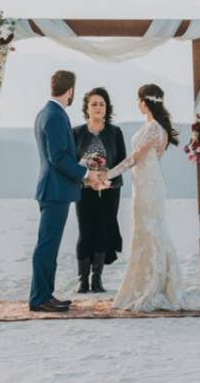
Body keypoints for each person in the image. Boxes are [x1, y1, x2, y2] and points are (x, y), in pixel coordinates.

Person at [101, 84, 197, 311]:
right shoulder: (153, 125)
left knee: (150, 231)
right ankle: (147, 281)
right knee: (145, 231)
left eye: (138, 99)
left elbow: (136, 157)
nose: (137, 103)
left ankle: (152, 285)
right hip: (144, 183)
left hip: (149, 185)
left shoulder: (154, 127)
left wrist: (110, 174)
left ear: (146, 101)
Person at [28, 70, 107, 313]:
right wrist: (86, 175)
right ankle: (39, 299)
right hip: (55, 191)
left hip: (56, 189)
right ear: (70, 90)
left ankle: (45, 295)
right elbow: (58, 158)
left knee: (48, 246)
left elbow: (61, 156)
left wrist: (85, 165)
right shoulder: (54, 115)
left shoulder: (46, 113)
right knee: (47, 246)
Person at [72, 87, 126, 293]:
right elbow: (71, 161)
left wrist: (106, 177)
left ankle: (97, 280)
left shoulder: (115, 132)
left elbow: (122, 161)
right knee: (85, 232)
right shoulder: (76, 132)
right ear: (86, 107)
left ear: (107, 108)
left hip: (110, 190)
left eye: (102, 104)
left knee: (103, 231)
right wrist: (88, 177)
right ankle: (82, 280)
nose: (98, 107)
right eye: (94, 104)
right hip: (84, 189)